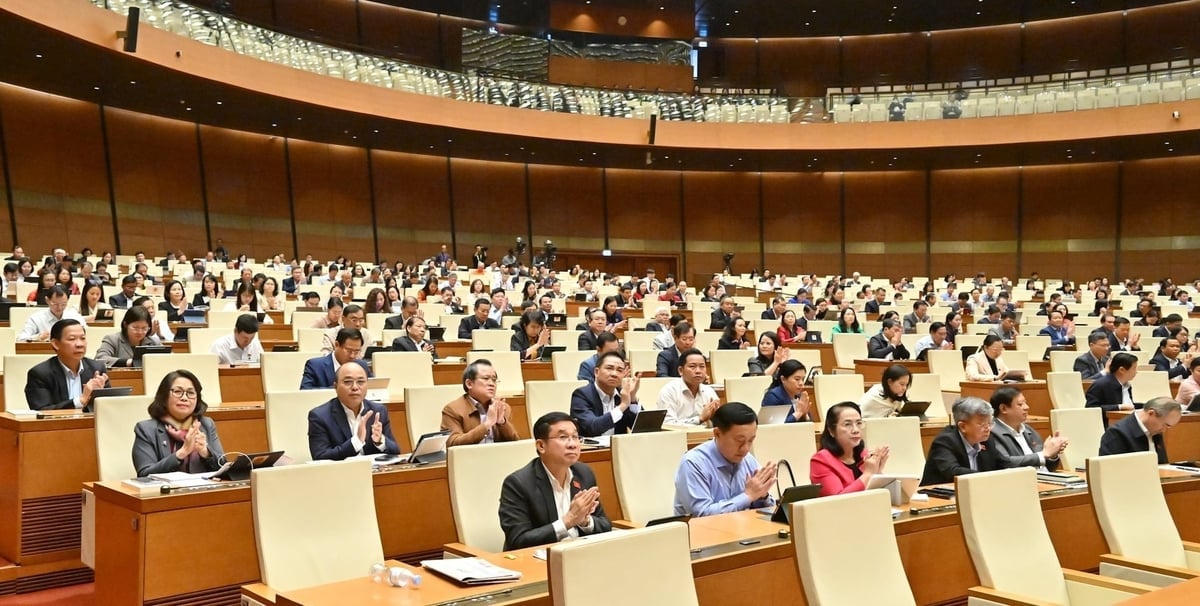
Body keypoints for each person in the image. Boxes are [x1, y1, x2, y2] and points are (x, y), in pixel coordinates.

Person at [498, 412, 613, 550]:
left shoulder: (583, 474)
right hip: (541, 561)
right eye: (563, 437)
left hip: (580, 555)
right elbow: (518, 540)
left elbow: (605, 524)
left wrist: (585, 521)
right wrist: (568, 521)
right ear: (541, 445)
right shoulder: (518, 484)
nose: (572, 444)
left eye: (575, 437)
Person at [673, 402, 777, 517]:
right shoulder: (693, 463)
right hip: (701, 533)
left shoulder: (748, 459)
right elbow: (701, 515)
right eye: (739, 441)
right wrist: (748, 496)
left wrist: (762, 495)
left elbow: (768, 510)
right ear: (717, 433)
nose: (746, 449)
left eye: (751, 440)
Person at [132, 370, 225, 476]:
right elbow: (144, 474)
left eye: (190, 393)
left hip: (204, 490)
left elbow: (224, 467)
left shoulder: (206, 425)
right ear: (164, 396)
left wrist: (205, 452)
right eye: (177, 392)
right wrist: (182, 452)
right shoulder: (146, 429)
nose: (184, 398)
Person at [307, 362, 400, 461]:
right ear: (335, 386)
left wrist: (380, 441)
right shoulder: (319, 416)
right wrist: (356, 442)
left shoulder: (378, 411)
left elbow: (396, 450)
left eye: (360, 382)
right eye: (348, 382)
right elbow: (320, 457)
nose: (355, 387)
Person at [920, 397, 1012, 485]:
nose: (987, 428)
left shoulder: (986, 440)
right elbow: (953, 471)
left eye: (989, 423)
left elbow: (1004, 463)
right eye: (982, 424)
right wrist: (986, 477)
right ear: (963, 426)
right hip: (939, 497)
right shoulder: (945, 441)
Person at [25, 319, 110, 411]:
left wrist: (99, 396)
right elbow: (42, 410)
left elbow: (109, 406)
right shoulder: (40, 374)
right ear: (56, 344)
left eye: (83, 338)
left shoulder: (97, 368)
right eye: (72, 339)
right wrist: (80, 401)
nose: (79, 344)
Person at [810, 402, 890, 497]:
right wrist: (868, 473)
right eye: (847, 424)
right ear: (831, 430)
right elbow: (837, 501)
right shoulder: (821, 460)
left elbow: (878, 495)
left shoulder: (864, 455)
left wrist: (878, 471)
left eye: (859, 423)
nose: (856, 430)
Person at [442, 359, 519, 446]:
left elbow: (515, 444)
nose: (492, 384)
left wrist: (502, 422)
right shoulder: (452, 410)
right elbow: (453, 443)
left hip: (499, 457)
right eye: (486, 378)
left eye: (494, 380)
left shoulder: (502, 407)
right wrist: (487, 424)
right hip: (470, 458)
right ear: (469, 383)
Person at [990, 386, 1068, 472]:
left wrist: (1053, 454)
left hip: (1043, 479)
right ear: (1003, 409)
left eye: (1025, 403)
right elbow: (1006, 463)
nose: (1027, 407)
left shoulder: (1028, 430)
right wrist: (1044, 454)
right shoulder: (992, 432)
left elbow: (1050, 468)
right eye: (1020, 404)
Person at [570, 351, 641, 437]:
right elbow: (592, 428)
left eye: (619, 370)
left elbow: (643, 428)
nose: (614, 374)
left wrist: (632, 398)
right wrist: (623, 405)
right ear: (596, 372)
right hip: (592, 449)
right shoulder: (581, 395)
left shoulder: (622, 394)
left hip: (620, 448)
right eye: (609, 368)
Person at [1098, 396, 1181, 464]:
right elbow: (1111, 470)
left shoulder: (1156, 430)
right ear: (1151, 413)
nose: (1164, 430)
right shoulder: (1117, 433)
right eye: (1165, 425)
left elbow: (1162, 465)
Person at [659, 349, 720, 426]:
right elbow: (667, 424)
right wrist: (700, 419)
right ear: (680, 370)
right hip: (680, 437)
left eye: (702, 366)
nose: (698, 371)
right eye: (692, 366)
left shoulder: (709, 391)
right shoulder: (669, 391)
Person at [301, 328, 371, 390]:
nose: (352, 356)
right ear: (336, 345)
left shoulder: (362, 365)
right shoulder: (315, 365)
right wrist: (340, 389)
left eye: (356, 351)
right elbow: (305, 390)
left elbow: (372, 387)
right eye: (349, 351)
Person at [95, 305, 161, 368]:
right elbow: (100, 359)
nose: (140, 332)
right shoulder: (112, 339)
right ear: (125, 324)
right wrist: (127, 362)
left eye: (144, 328)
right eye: (135, 328)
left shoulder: (154, 342)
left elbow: (165, 360)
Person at [1085, 352, 1139, 425]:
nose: (1136, 372)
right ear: (1122, 370)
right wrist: (1118, 407)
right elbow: (1091, 409)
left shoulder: (1126, 385)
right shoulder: (1101, 385)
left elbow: (1129, 406)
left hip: (1126, 421)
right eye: (1134, 368)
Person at [19, 285, 86, 342]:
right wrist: (37, 338)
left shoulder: (75, 316)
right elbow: (20, 339)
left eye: (63, 304)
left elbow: (88, 335)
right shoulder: (36, 318)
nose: (59, 308)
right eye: (55, 304)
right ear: (47, 300)